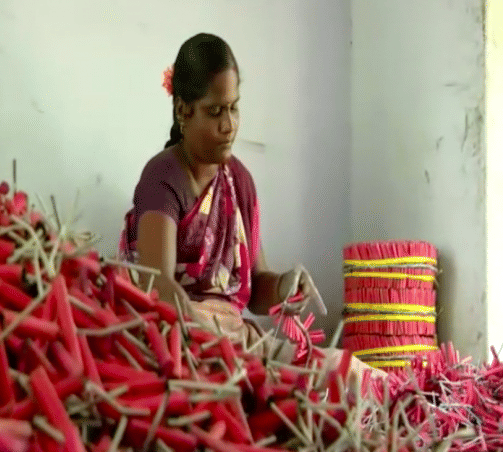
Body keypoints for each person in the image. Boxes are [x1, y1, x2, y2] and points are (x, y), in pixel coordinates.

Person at [120, 33, 383, 377]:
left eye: (233, 108)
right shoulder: (163, 178)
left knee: (348, 375)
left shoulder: (237, 181)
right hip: (175, 347)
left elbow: (256, 288)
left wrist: (285, 286)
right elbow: (158, 285)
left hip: (236, 344)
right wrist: (207, 334)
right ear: (184, 109)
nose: (229, 125)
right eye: (214, 112)